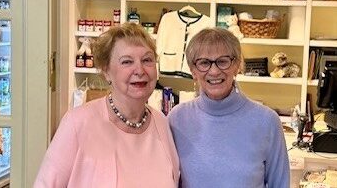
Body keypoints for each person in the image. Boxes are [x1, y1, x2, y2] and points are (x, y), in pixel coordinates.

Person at [34, 23, 179, 188]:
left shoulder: (162, 123)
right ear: (106, 71)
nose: (139, 70)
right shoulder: (77, 123)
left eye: (147, 60)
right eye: (127, 62)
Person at [168, 28, 290, 188]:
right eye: (204, 62)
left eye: (223, 61)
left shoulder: (267, 121)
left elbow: (280, 183)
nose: (214, 71)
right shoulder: (177, 119)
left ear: (237, 65)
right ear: (193, 71)